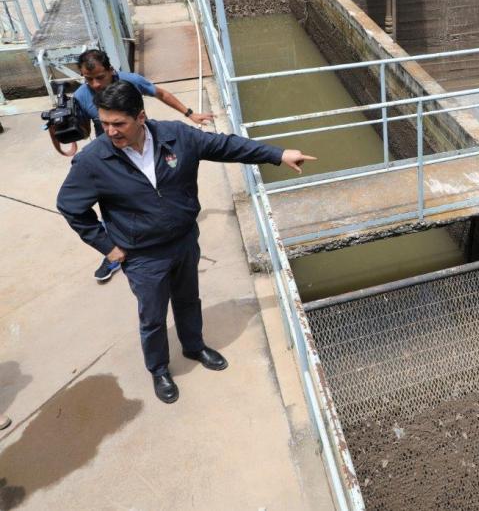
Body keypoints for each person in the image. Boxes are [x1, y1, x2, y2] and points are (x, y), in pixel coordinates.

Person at [57, 81, 316, 404]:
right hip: (142, 255)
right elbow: (70, 206)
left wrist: (277, 154)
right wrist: (107, 247)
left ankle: (194, 346)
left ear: (140, 117)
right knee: (152, 316)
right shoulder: (94, 160)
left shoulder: (176, 136)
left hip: (183, 241)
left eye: (118, 123)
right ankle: (159, 369)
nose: (110, 131)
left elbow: (226, 146)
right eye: (105, 123)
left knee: (188, 299)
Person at [71, 49, 214, 283]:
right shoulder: (81, 96)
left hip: (139, 144)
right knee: (112, 203)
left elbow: (161, 93)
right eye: (88, 79)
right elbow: (84, 129)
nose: (95, 84)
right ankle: (113, 252)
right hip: (110, 155)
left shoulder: (132, 82)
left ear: (111, 71)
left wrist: (190, 114)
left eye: (100, 77)